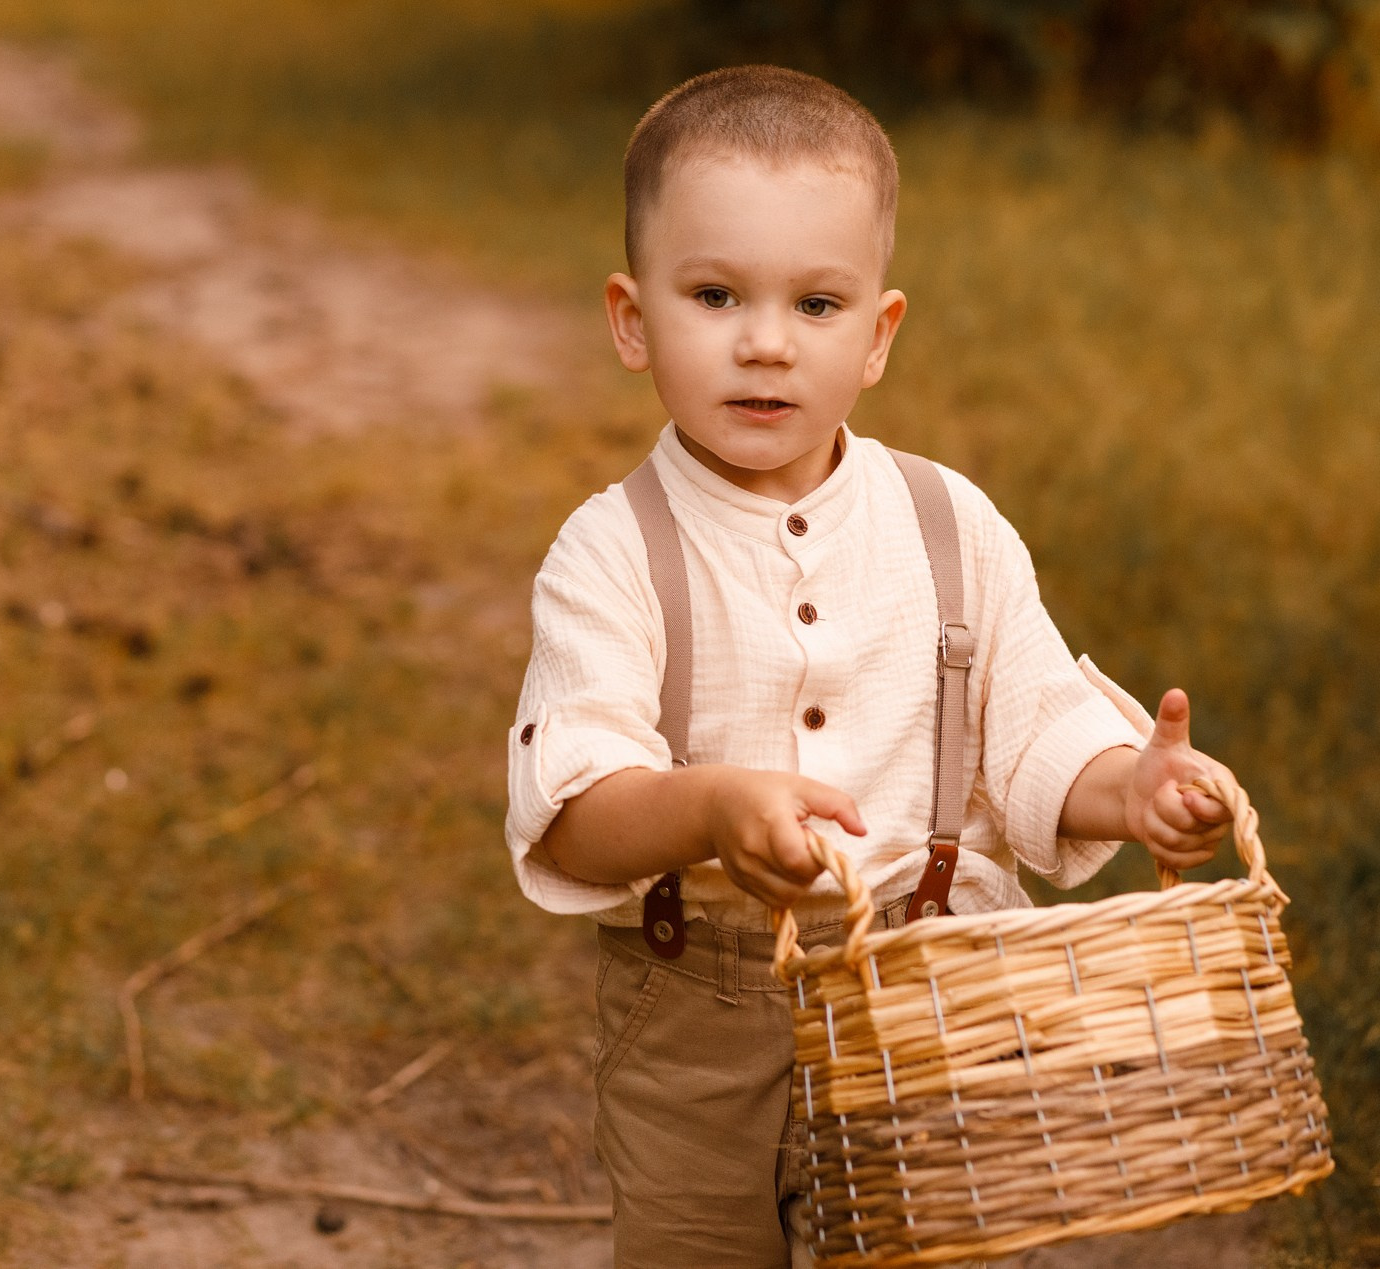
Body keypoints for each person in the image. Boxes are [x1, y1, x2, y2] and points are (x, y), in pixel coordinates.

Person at [502, 65, 1242, 1267]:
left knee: (918, 1252)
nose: (762, 343)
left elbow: (1034, 728)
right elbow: (572, 814)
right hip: (699, 1010)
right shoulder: (611, 551)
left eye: (815, 305)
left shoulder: (948, 525)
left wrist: (1129, 787)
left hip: (923, 989)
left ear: (878, 334)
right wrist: (711, 804)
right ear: (631, 320)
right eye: (712, 293)